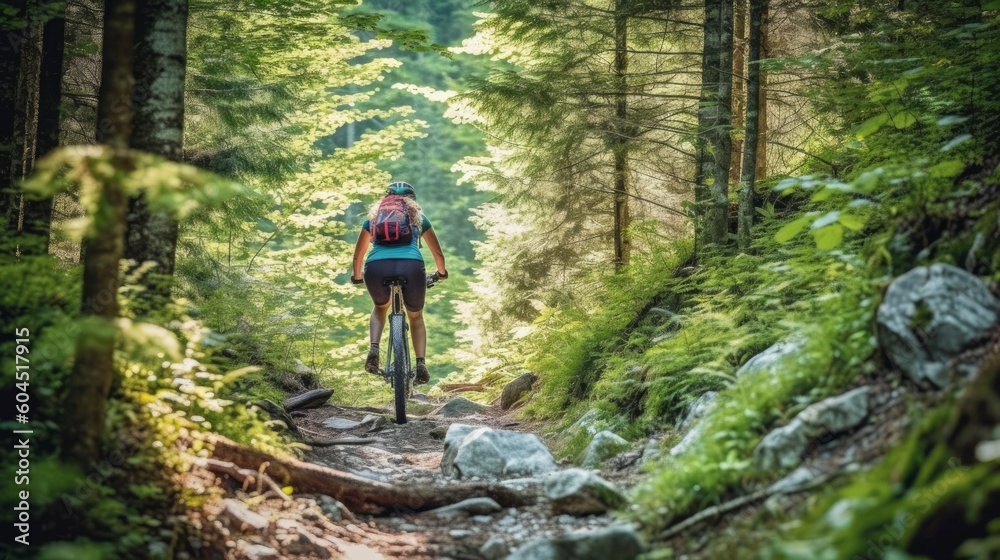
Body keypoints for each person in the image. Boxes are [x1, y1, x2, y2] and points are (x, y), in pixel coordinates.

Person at [351, 182, 447, 384]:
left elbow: (357, 255)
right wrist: (441, 272)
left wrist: (357, 276)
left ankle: (374, 349)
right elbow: (437, 252)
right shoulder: (419, 218)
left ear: (386, 198)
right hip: (411, 266)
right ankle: (420, 364)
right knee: (415, 316)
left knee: (380, 308)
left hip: (377, 267)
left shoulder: (374, 218)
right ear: (412, 200)